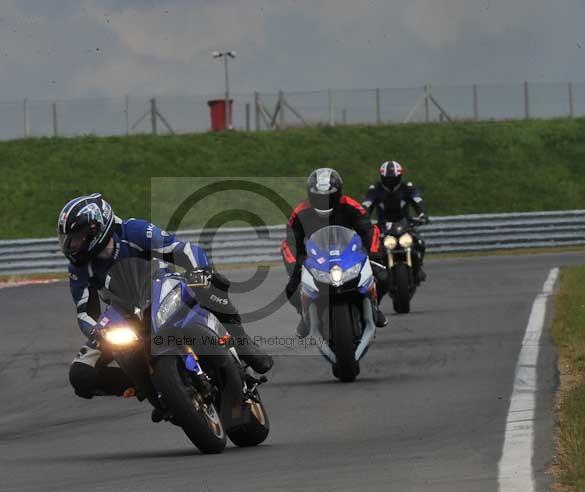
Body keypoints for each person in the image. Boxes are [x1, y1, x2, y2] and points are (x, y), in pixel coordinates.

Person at [58, 193, 273, 415]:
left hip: (164, 288)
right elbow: (84, 312)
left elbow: (181, 249)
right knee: (80, 374)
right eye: (67, 239)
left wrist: (199, 271)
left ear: (95, 229)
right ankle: (147, 387)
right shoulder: (79, 269)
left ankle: (242, 343)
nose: (70, 246)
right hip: (123, 315)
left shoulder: (134, 231)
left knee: (212, 284)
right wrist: (98, 331)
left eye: (75, 238)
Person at [281, 168, 388, 337]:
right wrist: (295, 263)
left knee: (382, 277)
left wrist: (373, 252)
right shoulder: (300, 212)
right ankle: (305, 315)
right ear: (310, 194)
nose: (324, 201)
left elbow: (369, 230)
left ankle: (375, 307)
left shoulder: (351, 205)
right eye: (319, 196)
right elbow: (290, 242)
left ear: (338, 193)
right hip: (316, 258)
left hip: (349, 254)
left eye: (329, 196)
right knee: (291, 288)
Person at [362, 161, 429, 282]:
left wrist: (422, 214)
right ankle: (377, 272)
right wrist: (363, 219)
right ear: (382, 178)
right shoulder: (375, 190)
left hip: (405, 224)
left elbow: (417, 200)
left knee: (420, 243)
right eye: (388, 179)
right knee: (372, 249)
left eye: (394, 179)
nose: (391, 182)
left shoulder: (407, 187)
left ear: (400, 177)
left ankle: (418, 269)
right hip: (383, 226)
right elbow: (366, 205)